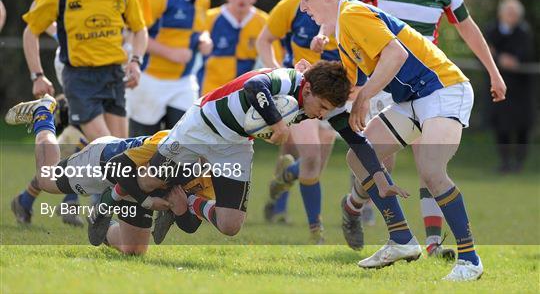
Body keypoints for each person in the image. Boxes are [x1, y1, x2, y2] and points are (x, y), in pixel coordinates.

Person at [296, 0, 507, 280]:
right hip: (412, 99)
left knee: (432, 169)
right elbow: (350, 89)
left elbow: (397, 55)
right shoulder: (343, 28)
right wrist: (309, 74)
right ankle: (401, 239)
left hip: (445, 88)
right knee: (359, 158)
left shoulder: (352, 13)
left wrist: (366, 96)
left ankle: (470, 260)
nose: (303, 7)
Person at [93, 60, 404, 243]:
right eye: (320, 107)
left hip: (236, 145)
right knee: (148, 182)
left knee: (230, 225)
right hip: (201, 127)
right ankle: (112, 197)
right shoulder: (287, 79)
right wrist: (277, 124)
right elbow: (255, 87)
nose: (321, 115)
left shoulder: (324, 105)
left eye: (327, 111)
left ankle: (186, 200)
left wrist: (378, 175)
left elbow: (357, 141)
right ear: (307, 89)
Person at [13, 0, 148, 225]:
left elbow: (140, 28)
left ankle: (30, 196)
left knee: (112, 153)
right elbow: (30, 29)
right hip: (79, 77)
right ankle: (101, 216)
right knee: (111, 151)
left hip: (114, 76)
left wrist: (136, 62)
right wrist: (37, 74)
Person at [4, 94, 212, 255]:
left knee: (133, 250)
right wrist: (149, 202)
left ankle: (101, 220)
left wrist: (182, 209)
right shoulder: (171, 142)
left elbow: (191, 225)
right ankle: (43, 113)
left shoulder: (214, 174)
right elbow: (117, 168)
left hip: (135, 186)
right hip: (106, 162)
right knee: (46, 179)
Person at [256, 0, 345, 244]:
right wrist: (278, 73)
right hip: (303, 93)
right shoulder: (293, 4)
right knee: (309, 156)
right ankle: (314, 230)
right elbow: (264, 40)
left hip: (337, 97)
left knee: (314, 164)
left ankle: (285, 179)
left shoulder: (349, 8)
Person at [126, 0, 212, 136]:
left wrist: (205, 39)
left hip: (183, 81)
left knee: (184, 139)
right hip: (149, 79)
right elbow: (135, 34)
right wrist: (169, 53)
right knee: (142, 144)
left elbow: (200, 29)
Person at [485, 0, 535, 173]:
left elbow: (525, 55)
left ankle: (519, 163)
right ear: (501, 13)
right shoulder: (491, 30)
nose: (511, 16)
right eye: (508, 12)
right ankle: (504, 162)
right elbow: (485, 52)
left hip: (520, 89)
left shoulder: (524, 32)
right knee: (501, 126)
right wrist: (500, 58)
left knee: (522, 126)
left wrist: (509, 59)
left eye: (514, 13)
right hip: (498, 86)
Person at [198, 0, 267, 95]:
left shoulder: (264, 22)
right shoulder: (210, 18)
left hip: (245, 91)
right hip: (211, 90)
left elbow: (273, 57)